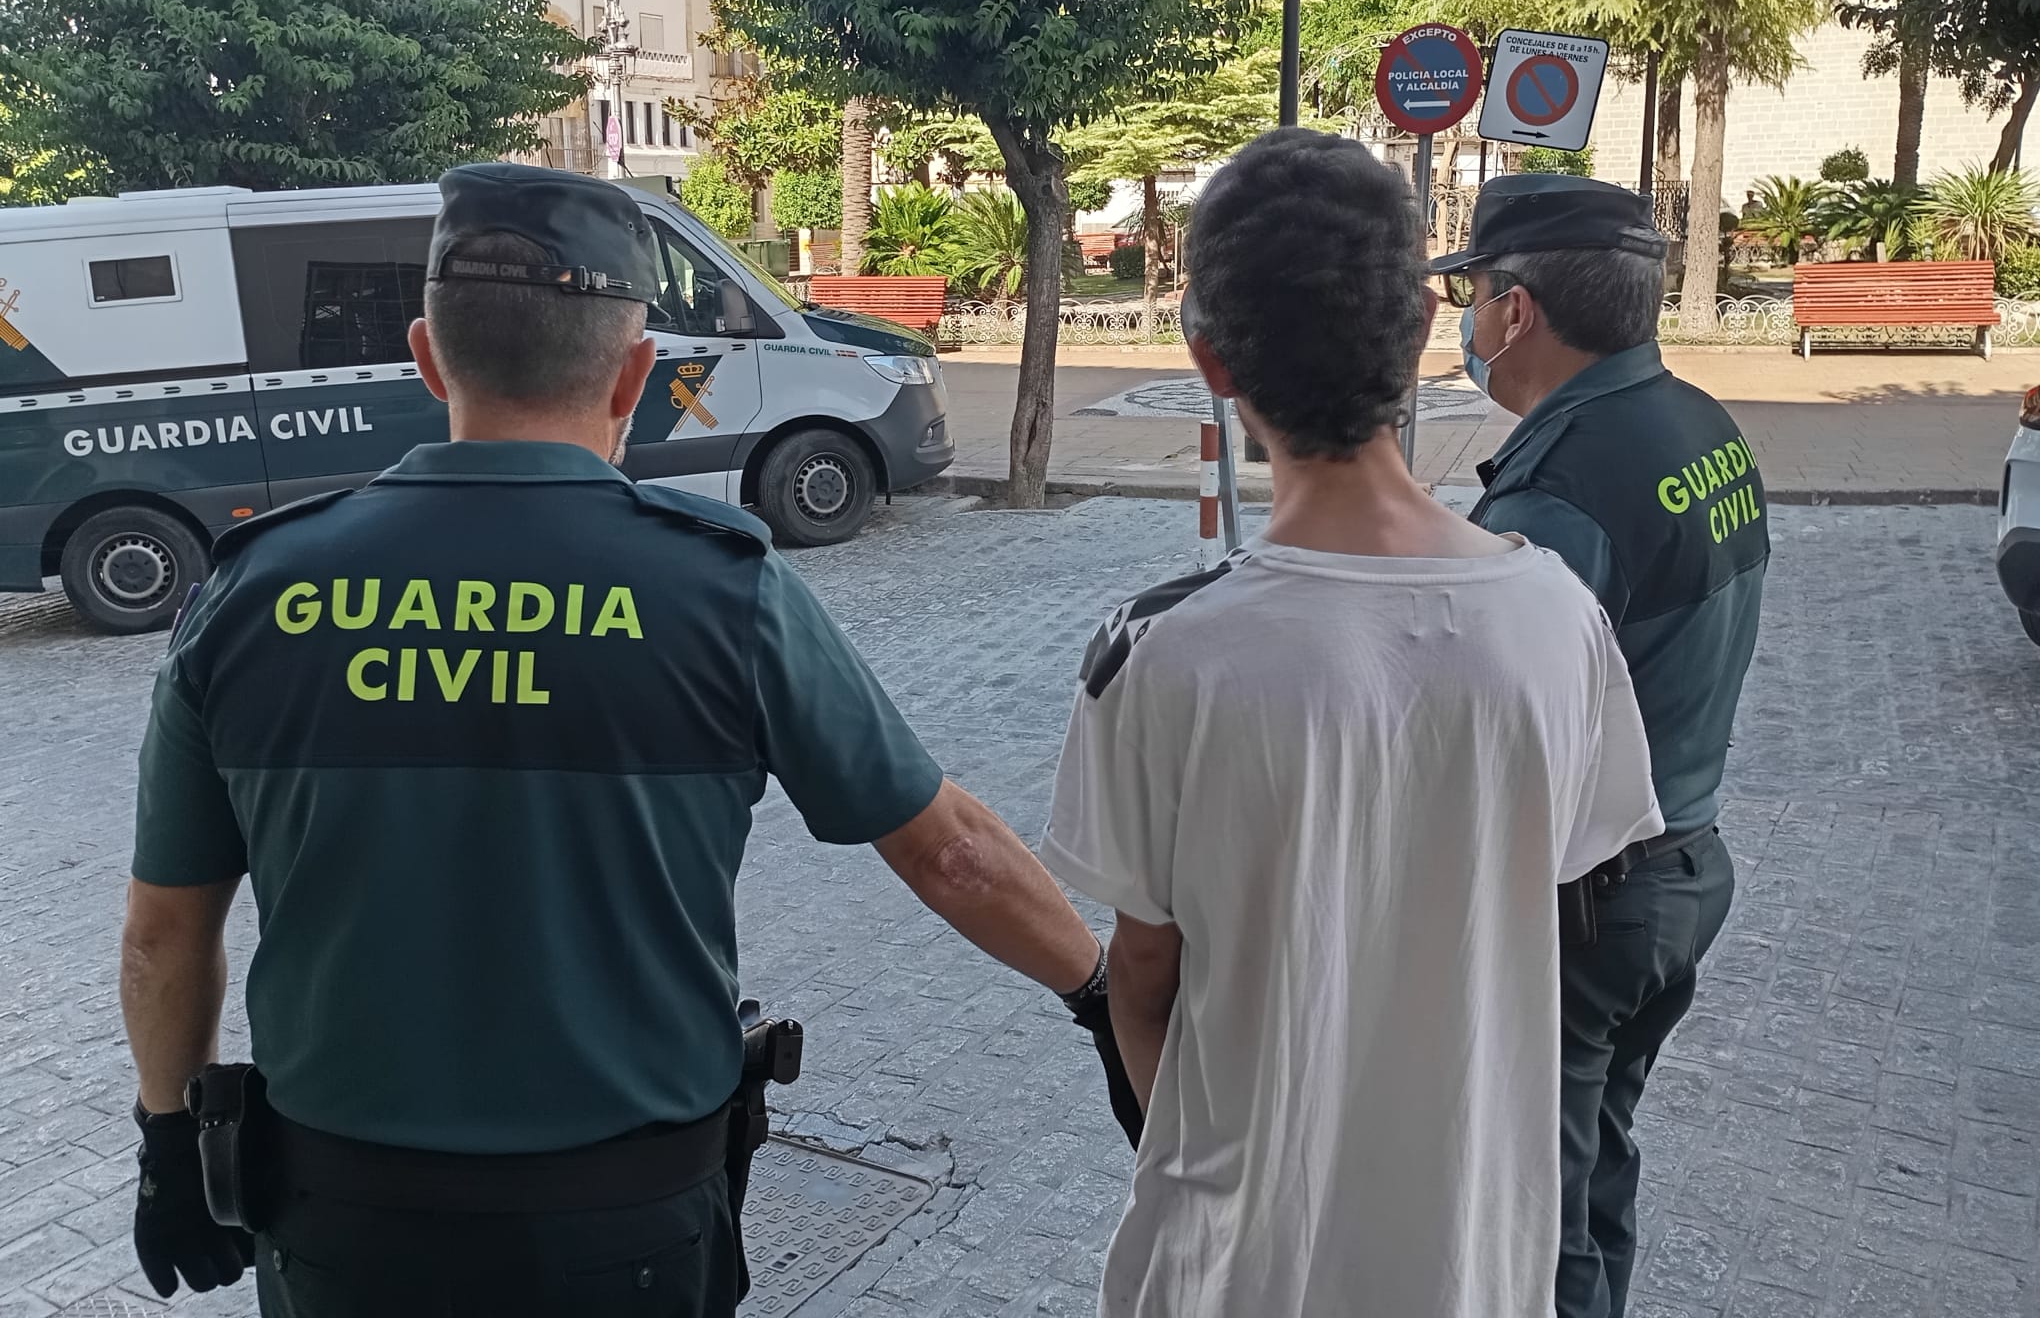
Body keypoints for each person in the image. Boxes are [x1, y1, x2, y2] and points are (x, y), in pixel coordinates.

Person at [118, 163, 1110, 1318]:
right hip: (623, 1229)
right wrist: (1096, 994)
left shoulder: (251, 592)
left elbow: (161, 932)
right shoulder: (723, 592)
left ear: (428, 357)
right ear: (636, 374)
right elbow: (951, 854)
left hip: (342, 1226)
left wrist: (169, 1135)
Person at [1039, 129, 1664, 1318]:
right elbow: (1567, 899)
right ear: (1425, 335)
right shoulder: (1558, 617)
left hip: (1237, 1266)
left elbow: (1144, 980)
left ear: (1210, 363)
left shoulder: (1162, 653)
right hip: (1475, 1257)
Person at [1438, 174, 1768, 1318]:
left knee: (1541, 1210)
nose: (1468, 327)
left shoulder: (1561, 492)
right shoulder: (1697, 423)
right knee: (1597, 1159)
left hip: (1588, 902)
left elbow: (1490, 737)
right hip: (1681, 867)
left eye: (1471, 298)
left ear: (1516, 312)